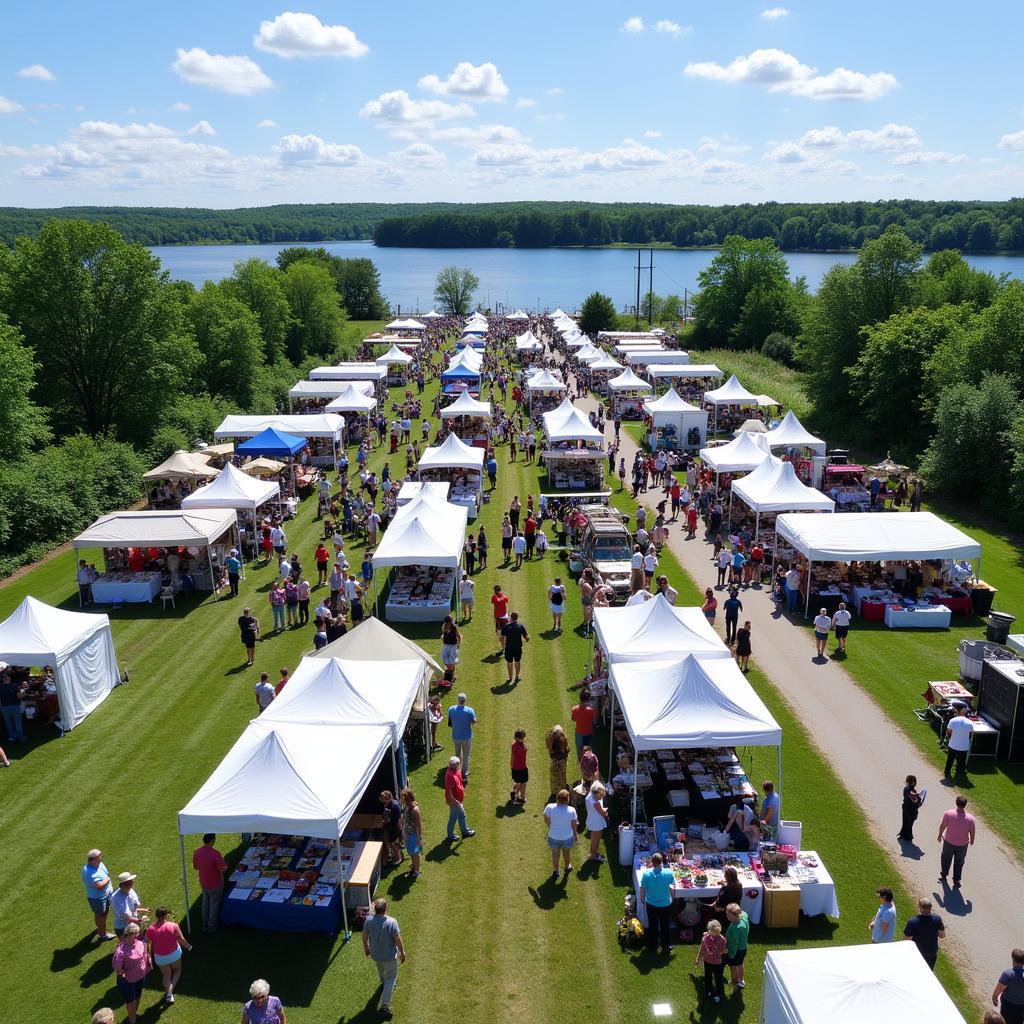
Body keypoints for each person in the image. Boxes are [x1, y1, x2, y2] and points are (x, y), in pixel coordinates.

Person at [363, 898, 406, 1022]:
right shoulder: (392, 922)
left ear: (375, 909)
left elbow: (364, 935)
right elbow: (398, 940)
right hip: (389, 957)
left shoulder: (368, 920)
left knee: (380, 968)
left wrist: (366, 948)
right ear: (386, 909)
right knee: (391, 977)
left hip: (376, 955)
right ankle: (385, 1005)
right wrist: (402, 953)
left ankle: (382, 981)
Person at [147, 906, 191, 1004]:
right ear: (166, 915)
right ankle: (170, 992)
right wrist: (188, 946)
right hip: (174, 954)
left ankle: (169, 994)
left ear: (157, 916)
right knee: (177, 970)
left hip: (159, 958)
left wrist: (148, 955)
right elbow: (180, 939)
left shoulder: (151, 928)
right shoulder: (173, 925)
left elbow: (147, 941)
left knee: (166, 974)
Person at [112, 923, 150, 1024]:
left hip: (141, 976)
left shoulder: (140, 943)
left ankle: (133, 1014)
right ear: (132, 934)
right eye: (138, 932)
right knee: (130, 1001)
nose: (139, 933)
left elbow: (144, 953)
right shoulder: (121, 951)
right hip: (128, 981)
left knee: (138, 996)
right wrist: (125, 972)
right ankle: (132, 1019)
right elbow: (118, 969)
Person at [938, 794, 976, 887]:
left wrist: (939, 835)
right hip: (962, 845)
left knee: (946, 859)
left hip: (948, 842)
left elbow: (943, 825)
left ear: (956, 803)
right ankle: (956, 880)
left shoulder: (948, 814)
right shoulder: (970, 819)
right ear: (965, 805)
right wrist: (972, 840)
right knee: (959, 862)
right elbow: (972, 831)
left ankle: (943, 875)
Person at [193, 833, 227, 933]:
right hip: (216, 883)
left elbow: (196, 867)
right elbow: (223, 868)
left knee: (205, 904)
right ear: (212, 840)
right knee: (214, 905)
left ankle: (204, 924)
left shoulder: (197, 852)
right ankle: (212, 926)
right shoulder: (215, 853)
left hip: (204, 882)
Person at [640, 852, 674, 953]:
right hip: (665, 904)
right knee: (665, 925)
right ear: (662, 862)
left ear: (652, 862)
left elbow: (642, 888)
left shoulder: (646, 873)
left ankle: (652, 944)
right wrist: (673, 898)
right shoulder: (668, 872)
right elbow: (671, 887)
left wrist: (642, 898)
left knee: (653, 924)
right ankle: (665, 944)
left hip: (651, 903)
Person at [543, 788, 579, 881]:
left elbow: (545, 817)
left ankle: (555, 871)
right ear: (568, 799)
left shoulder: (550, 807)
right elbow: (574, 824)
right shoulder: (572, 810)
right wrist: (575, 836)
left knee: (555, 854)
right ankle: (567, 867)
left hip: (553, 836)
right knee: (566, 853)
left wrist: (550, 825)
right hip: (567, 837)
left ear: (557, 798)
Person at [903, 897, 946, 970]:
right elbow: (942, 935)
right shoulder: (937, 919)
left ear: (920, 908)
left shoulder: (913, 921)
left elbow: (906, 939)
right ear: (930, 907)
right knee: (928, 973)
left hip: (917, 953)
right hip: (931, 953)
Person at [82, 848, 115, 940]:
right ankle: (103, 934)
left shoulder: (99, 864)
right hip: (98, 899)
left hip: (106, 894)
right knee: (102, 915)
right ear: (93, 860)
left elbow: (106, 873)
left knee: (100, 914)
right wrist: (107, 879)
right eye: (99, 857)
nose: (101, 859)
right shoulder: (89, 872)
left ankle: (99, 928)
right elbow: (100, 886)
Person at [444, 756, 475, 841]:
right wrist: (454, 801)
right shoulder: (450, 775)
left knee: (457, 816)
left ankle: (463, 831)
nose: (459, 766)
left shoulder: (456, 770)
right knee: (457, 816)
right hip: (454, 801)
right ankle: (463, 832)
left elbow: (459, 783)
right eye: (458, 764)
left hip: (458, 799)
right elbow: (448, 791)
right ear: (453, 765)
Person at [696, 919, 727, 1002]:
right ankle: (708, 990)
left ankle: (719, 994)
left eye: (715, 932)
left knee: (718, 978)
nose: (710, 932)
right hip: (707, 961)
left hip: (717, 963)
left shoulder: (722, 939)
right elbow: (702, 948)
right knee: (708, 977)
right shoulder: (705, 938)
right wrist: (698, 958)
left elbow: (723, 951)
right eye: (710, 931)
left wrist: (717, 950)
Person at [447, 693, 476, 781]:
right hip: (466, 736)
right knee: (466, 754)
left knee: (457, 753)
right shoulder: (469, 710)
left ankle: (456, 769)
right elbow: (474, 720)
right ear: (465, 700)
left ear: (458, 700)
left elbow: (450, 721)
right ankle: (464, 772)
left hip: (455, 735)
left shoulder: (451, 709)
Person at [111, 872, 148, 936]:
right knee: (128, 945)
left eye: (131, 882)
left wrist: (143, 909)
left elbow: (132, 907)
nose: (131, 885)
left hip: (133, 923)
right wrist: (140, 920)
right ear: (123, 885)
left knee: (138, 942)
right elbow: (126, 917)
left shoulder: (130, 891)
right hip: (123, 928)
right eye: (129, 883)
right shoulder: (116, 898)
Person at [993, 949, 1024, 1024]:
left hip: (1007, 1006)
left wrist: (994, 997)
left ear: (1013, 959)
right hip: (1021, 1007)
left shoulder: (1008, 974)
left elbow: (997, 991)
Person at [944, 708, 975, 779]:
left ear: (958, 713)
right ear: (965, 714)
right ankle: (959, 772)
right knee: (961, 760)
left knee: (950, 759)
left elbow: (948, 731)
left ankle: (947, 771)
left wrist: (952, 738)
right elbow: (970, 733)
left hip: (953, 744)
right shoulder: (970, 722)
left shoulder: (953, 720)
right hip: (964, 746)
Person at [400, 788, 423, 880]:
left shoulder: (415, 809)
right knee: (411, 852)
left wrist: (420, 838)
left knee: (415, 853)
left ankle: (416, 871)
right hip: (408, 834)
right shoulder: (407, 807)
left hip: (414, 835)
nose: (401, 800)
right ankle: (414, 866)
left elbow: (419, 825)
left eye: (402, 798)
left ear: (407, 798)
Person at [501, 611, 529, 683]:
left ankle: (510, 678)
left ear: (511, 618)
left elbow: (501, 638)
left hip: (509, 648)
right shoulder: (520, 626)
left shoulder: (506, 626)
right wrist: (527, 639)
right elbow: (526, 638)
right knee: (517, 662)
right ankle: (517, 676)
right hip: (518, 648)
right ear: (517, 618)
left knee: (509, 663)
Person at [724, 903, 749, 988]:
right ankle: (741, 980)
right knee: (740, 964)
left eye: (728, 914)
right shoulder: (743, 917)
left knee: (734, 966)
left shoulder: (736, 928)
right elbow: (744, 913)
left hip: (736, 951)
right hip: (743, 948)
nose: (726, 915)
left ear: (734, 915)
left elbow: (734, 943)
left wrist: (731, 954)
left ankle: (736, 982)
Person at [585, 781, 609, 863]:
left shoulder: (588, 796)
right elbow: (603, 813)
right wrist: (606, 810)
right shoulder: (596, 803)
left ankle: (592, 853)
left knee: (593, 838)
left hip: (591, 820)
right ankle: (594, 855)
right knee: (596, 840)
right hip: (597, 822)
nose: (601, 798)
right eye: (601, 796)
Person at [379, 789, 403, 867]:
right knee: (392, 842)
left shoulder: (391, 807)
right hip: (393, 827)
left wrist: (383, 821)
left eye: (383, 799)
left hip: (393, 828)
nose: (382, 800)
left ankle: (399, 858)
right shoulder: (394, 803)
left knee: (393, 844)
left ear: (388, 798)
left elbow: (388, 820)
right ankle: (397, 853)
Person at [571, 690, 596, 760]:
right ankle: (587, 762)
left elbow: (573, 719)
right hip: (588, 733)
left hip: (579, 733)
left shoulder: (574, 709)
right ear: (588, 700)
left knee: (579, 750)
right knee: (587, 749)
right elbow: (593, 721)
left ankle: (581, 763)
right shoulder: (591, 710)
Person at [546, 725, 570, 796]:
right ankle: (562, 790)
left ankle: (554, 791)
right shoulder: (563, 739)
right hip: (562, 760)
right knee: (562, 776)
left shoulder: (550, 739)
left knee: (553, 776)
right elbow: (567, 749)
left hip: (553, 760)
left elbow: (550, 750)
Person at [898, 774, 923, 843]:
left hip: (906, 808)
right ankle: (907, 836)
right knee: (909, 824)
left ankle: (904, 834)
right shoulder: (913, 792)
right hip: (911, 811)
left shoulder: (906, 789)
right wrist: (919, 799)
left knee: (905, 822)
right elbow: (917, 802)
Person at [440, 614, 462, 685]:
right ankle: (448, 673)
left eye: (449, 623)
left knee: (452, 661)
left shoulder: (454, 627)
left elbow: (459, 636)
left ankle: (451, 676)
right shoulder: (444, 626)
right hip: (445, 645)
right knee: (446, 661)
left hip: (453, 645)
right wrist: (443, 637)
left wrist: (458, 645)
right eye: (447, 623)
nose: (448, 624)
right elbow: (443, 634)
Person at [510, 729, 529, 805]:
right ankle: (520, 797)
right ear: (518, 738)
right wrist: (524, 745)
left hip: (514, 767)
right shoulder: (522, 747)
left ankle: (513, 792)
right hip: (521, 768)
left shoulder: (513, 745)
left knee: (517, 781)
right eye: (522, 737)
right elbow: (525, 750)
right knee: (523, 782)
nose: (523, 739)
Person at [491, 584, 510, 651]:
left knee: (499, 633)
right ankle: (504, 645)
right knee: (504, 633)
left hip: (498, 617)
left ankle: (503, 648)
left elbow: (494, 601)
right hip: (505, 616)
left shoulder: (494, 597)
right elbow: (506, 601)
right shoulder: (504, 596)